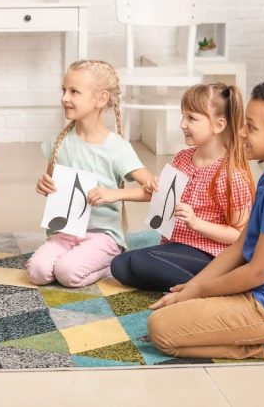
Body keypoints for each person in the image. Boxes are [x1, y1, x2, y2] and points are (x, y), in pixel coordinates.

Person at [147, 79, 264, 360]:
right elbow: (239, 247)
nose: (241, 131)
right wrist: (195, 287)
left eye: (252, 127)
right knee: (176, 307)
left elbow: (258, 271)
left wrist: (202, 290)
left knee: (160, 330)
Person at [107, 83, 254, 291]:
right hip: (175, 246)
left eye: (191, 118)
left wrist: (196, 223)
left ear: (219, 125)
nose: (182, 124)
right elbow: (162, 200)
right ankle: (197, 285)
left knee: (139, 261)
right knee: (119, 265)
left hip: (212, 255)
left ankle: (211, 287)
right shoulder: (182, 159)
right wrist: (153, 188)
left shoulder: (231, 175)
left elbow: (239, 236)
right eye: (183, 116)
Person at [25, 59, 155, 288]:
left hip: (102, 235)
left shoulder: (117, 148)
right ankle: (76, 257)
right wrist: (44, 186)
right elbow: (52, 189)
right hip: (65, 232)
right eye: (64, 90)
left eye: (74, 91)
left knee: (67, 274)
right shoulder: (60, 141)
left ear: (101, 99)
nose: (65, 98)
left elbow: (153, 191)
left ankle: (110, 262)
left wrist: (113, 194)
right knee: (37, 273)